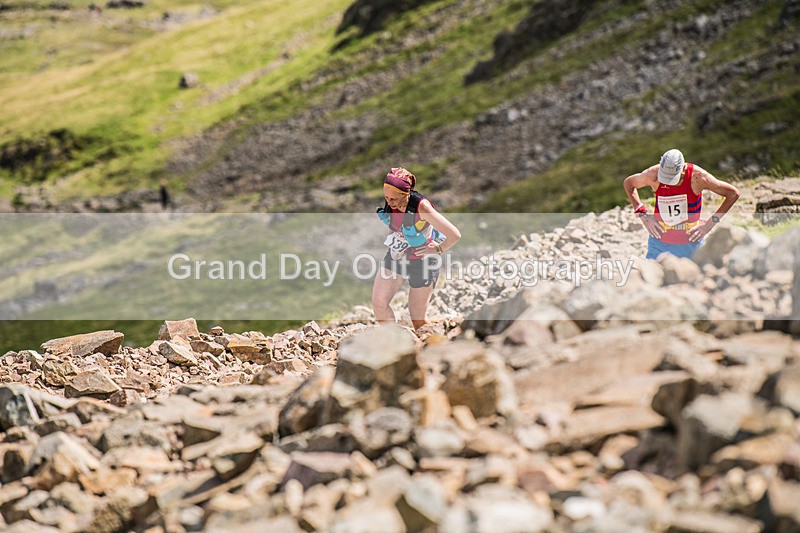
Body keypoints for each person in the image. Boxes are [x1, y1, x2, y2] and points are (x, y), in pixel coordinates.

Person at [372, 167, 461, 332]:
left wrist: (438, 249)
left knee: (418, 321)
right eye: (386, 197)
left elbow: (455, 234)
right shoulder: (391, 199)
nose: (389, 203)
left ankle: (437, 345)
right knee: (379, 304)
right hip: (397, 256)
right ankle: (398, 345)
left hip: (423, 262)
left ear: (406, 194)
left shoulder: (422, 207)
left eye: (393, 199)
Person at [624, 149, 740, 260]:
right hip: (659, 242)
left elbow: (732, 194)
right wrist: (643, 215)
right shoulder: (652, 174)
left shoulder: (698, 177)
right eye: (665, 178)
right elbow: (629, 184)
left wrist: (710, 224)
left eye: (673, 178)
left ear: (683, 168)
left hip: (690, 242)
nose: (669, 182)